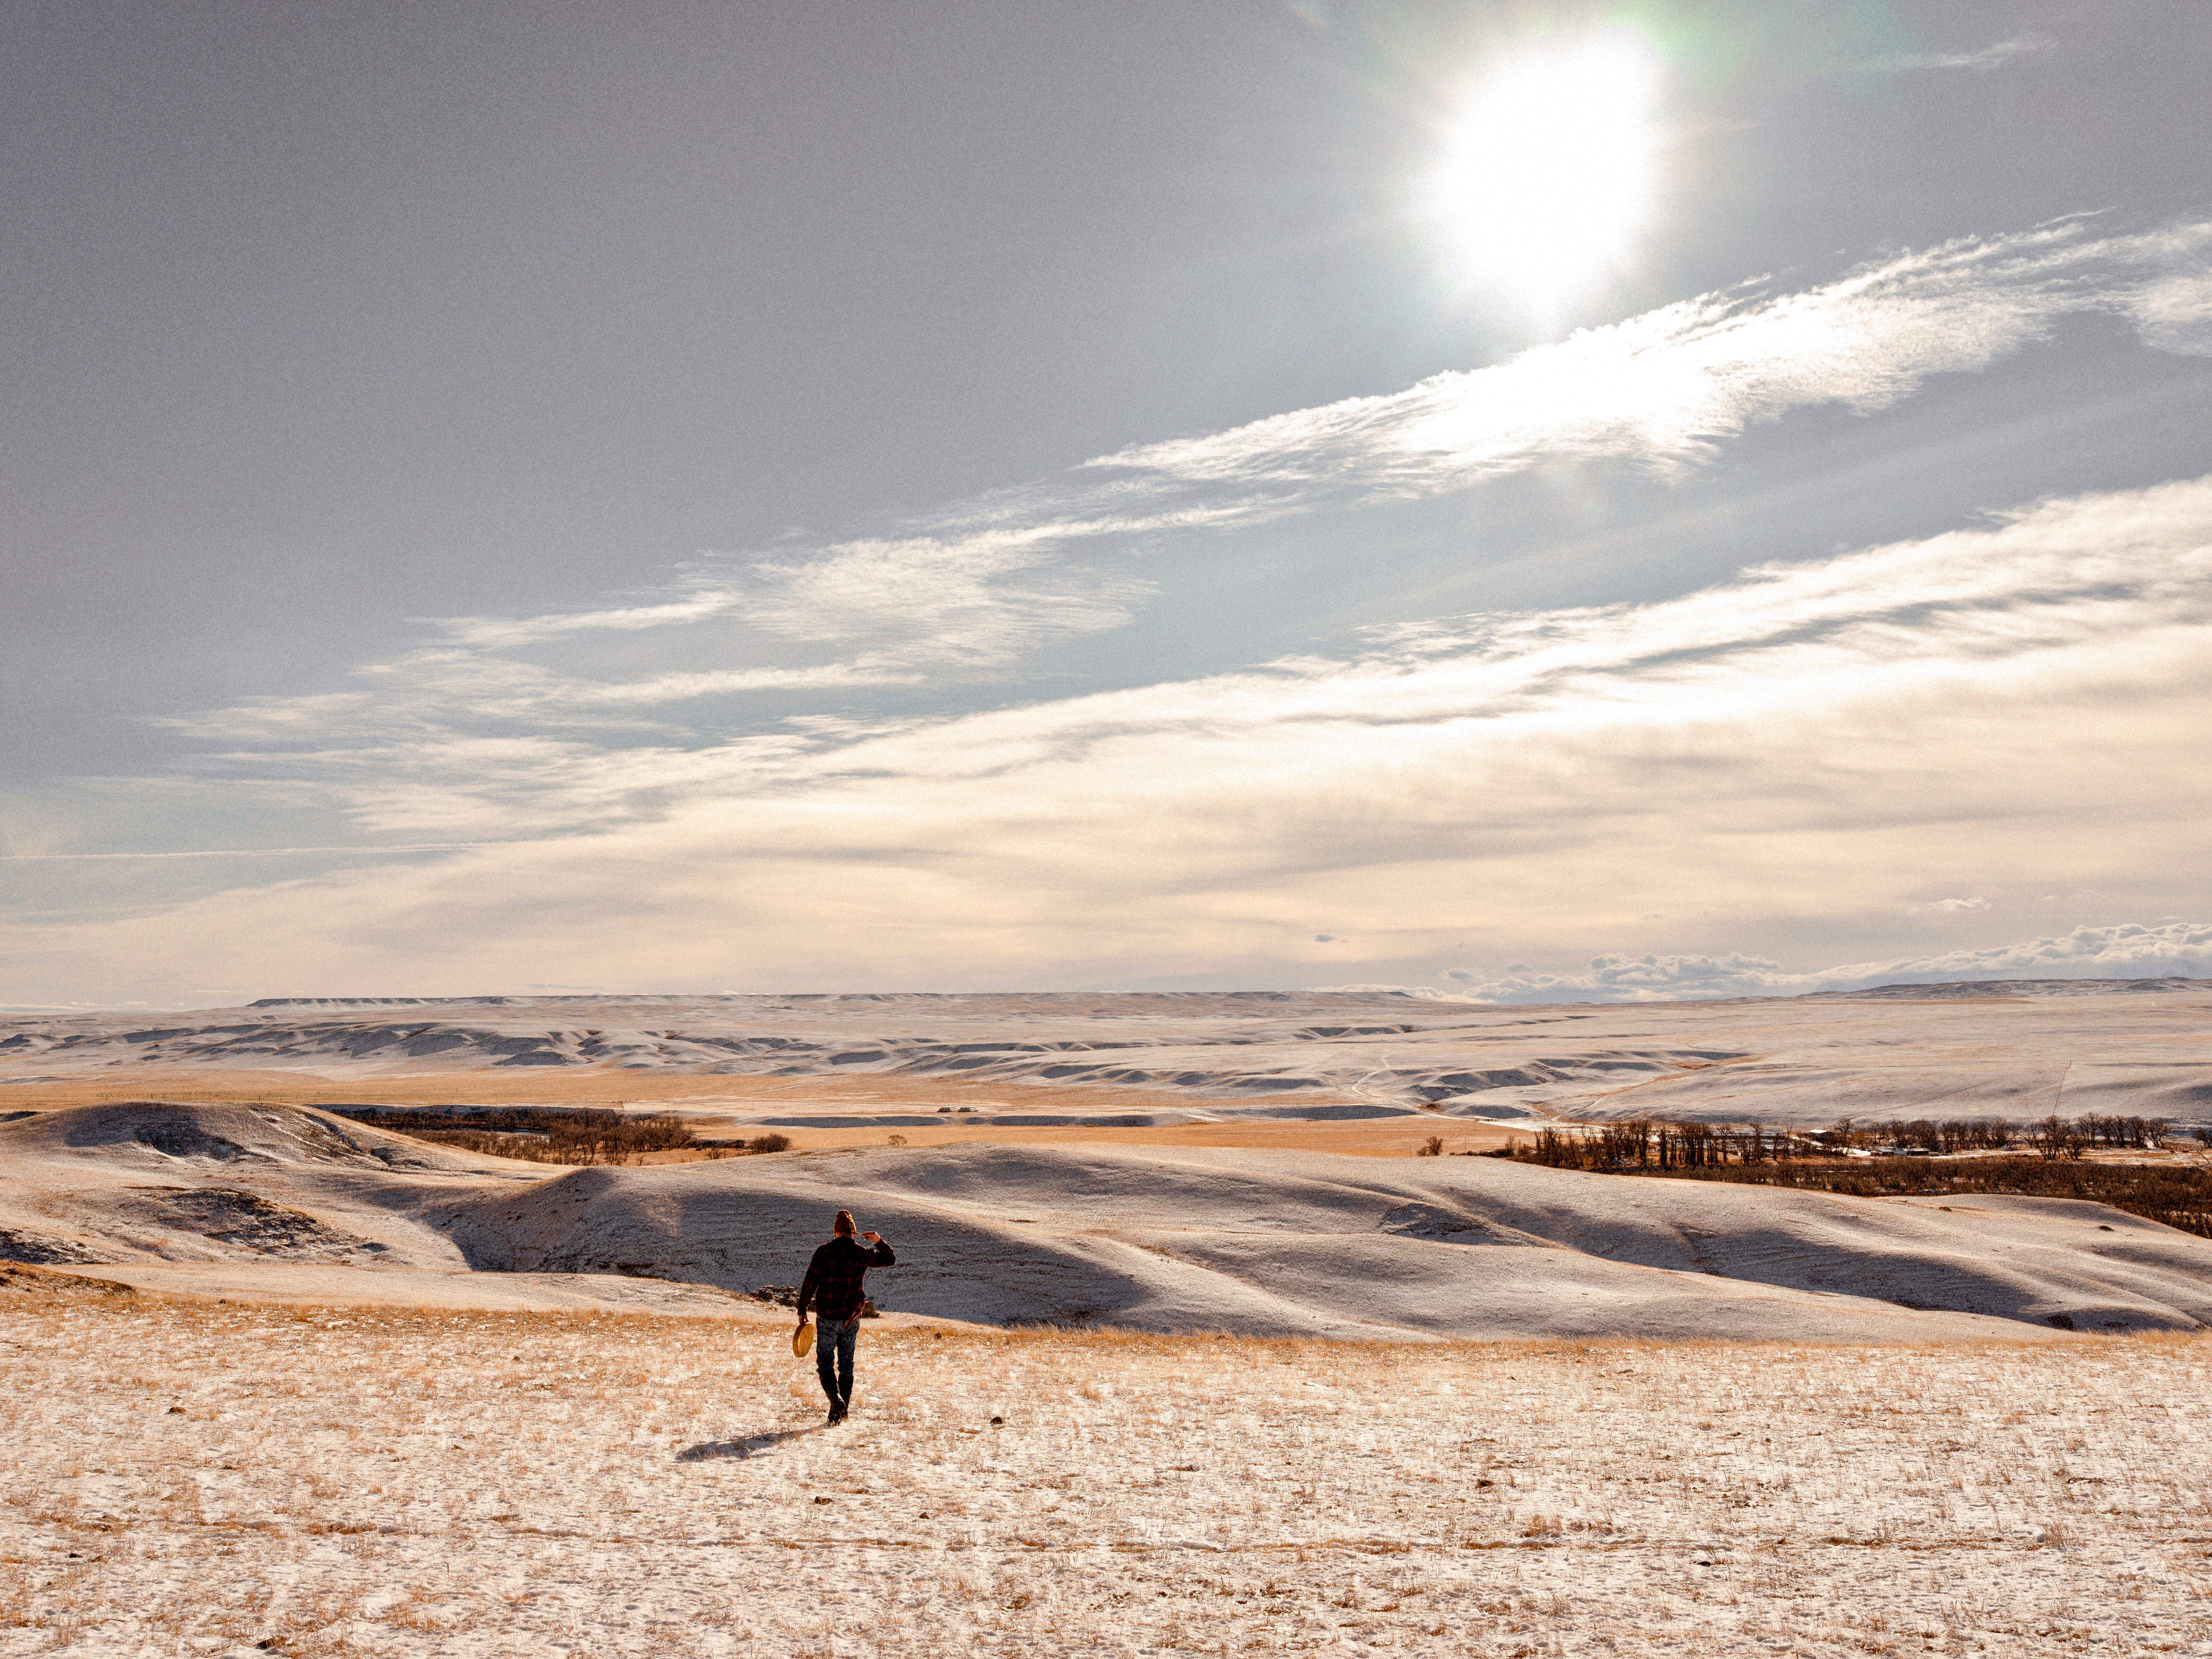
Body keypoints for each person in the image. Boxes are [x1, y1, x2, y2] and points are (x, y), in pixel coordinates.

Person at [795, 1209, 896, 1425]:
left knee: (825, 1363)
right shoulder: (861, 1252)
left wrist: (802, 1309)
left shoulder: (824, 1252)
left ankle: (836, 1401)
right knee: (847, 1364)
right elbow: (890, 1259)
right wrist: (878, 1241)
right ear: (854, 1232)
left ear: (836, 1231)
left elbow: (810, 1282)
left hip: (827, 1316)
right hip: (852, 1317)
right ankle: (842, 1411)